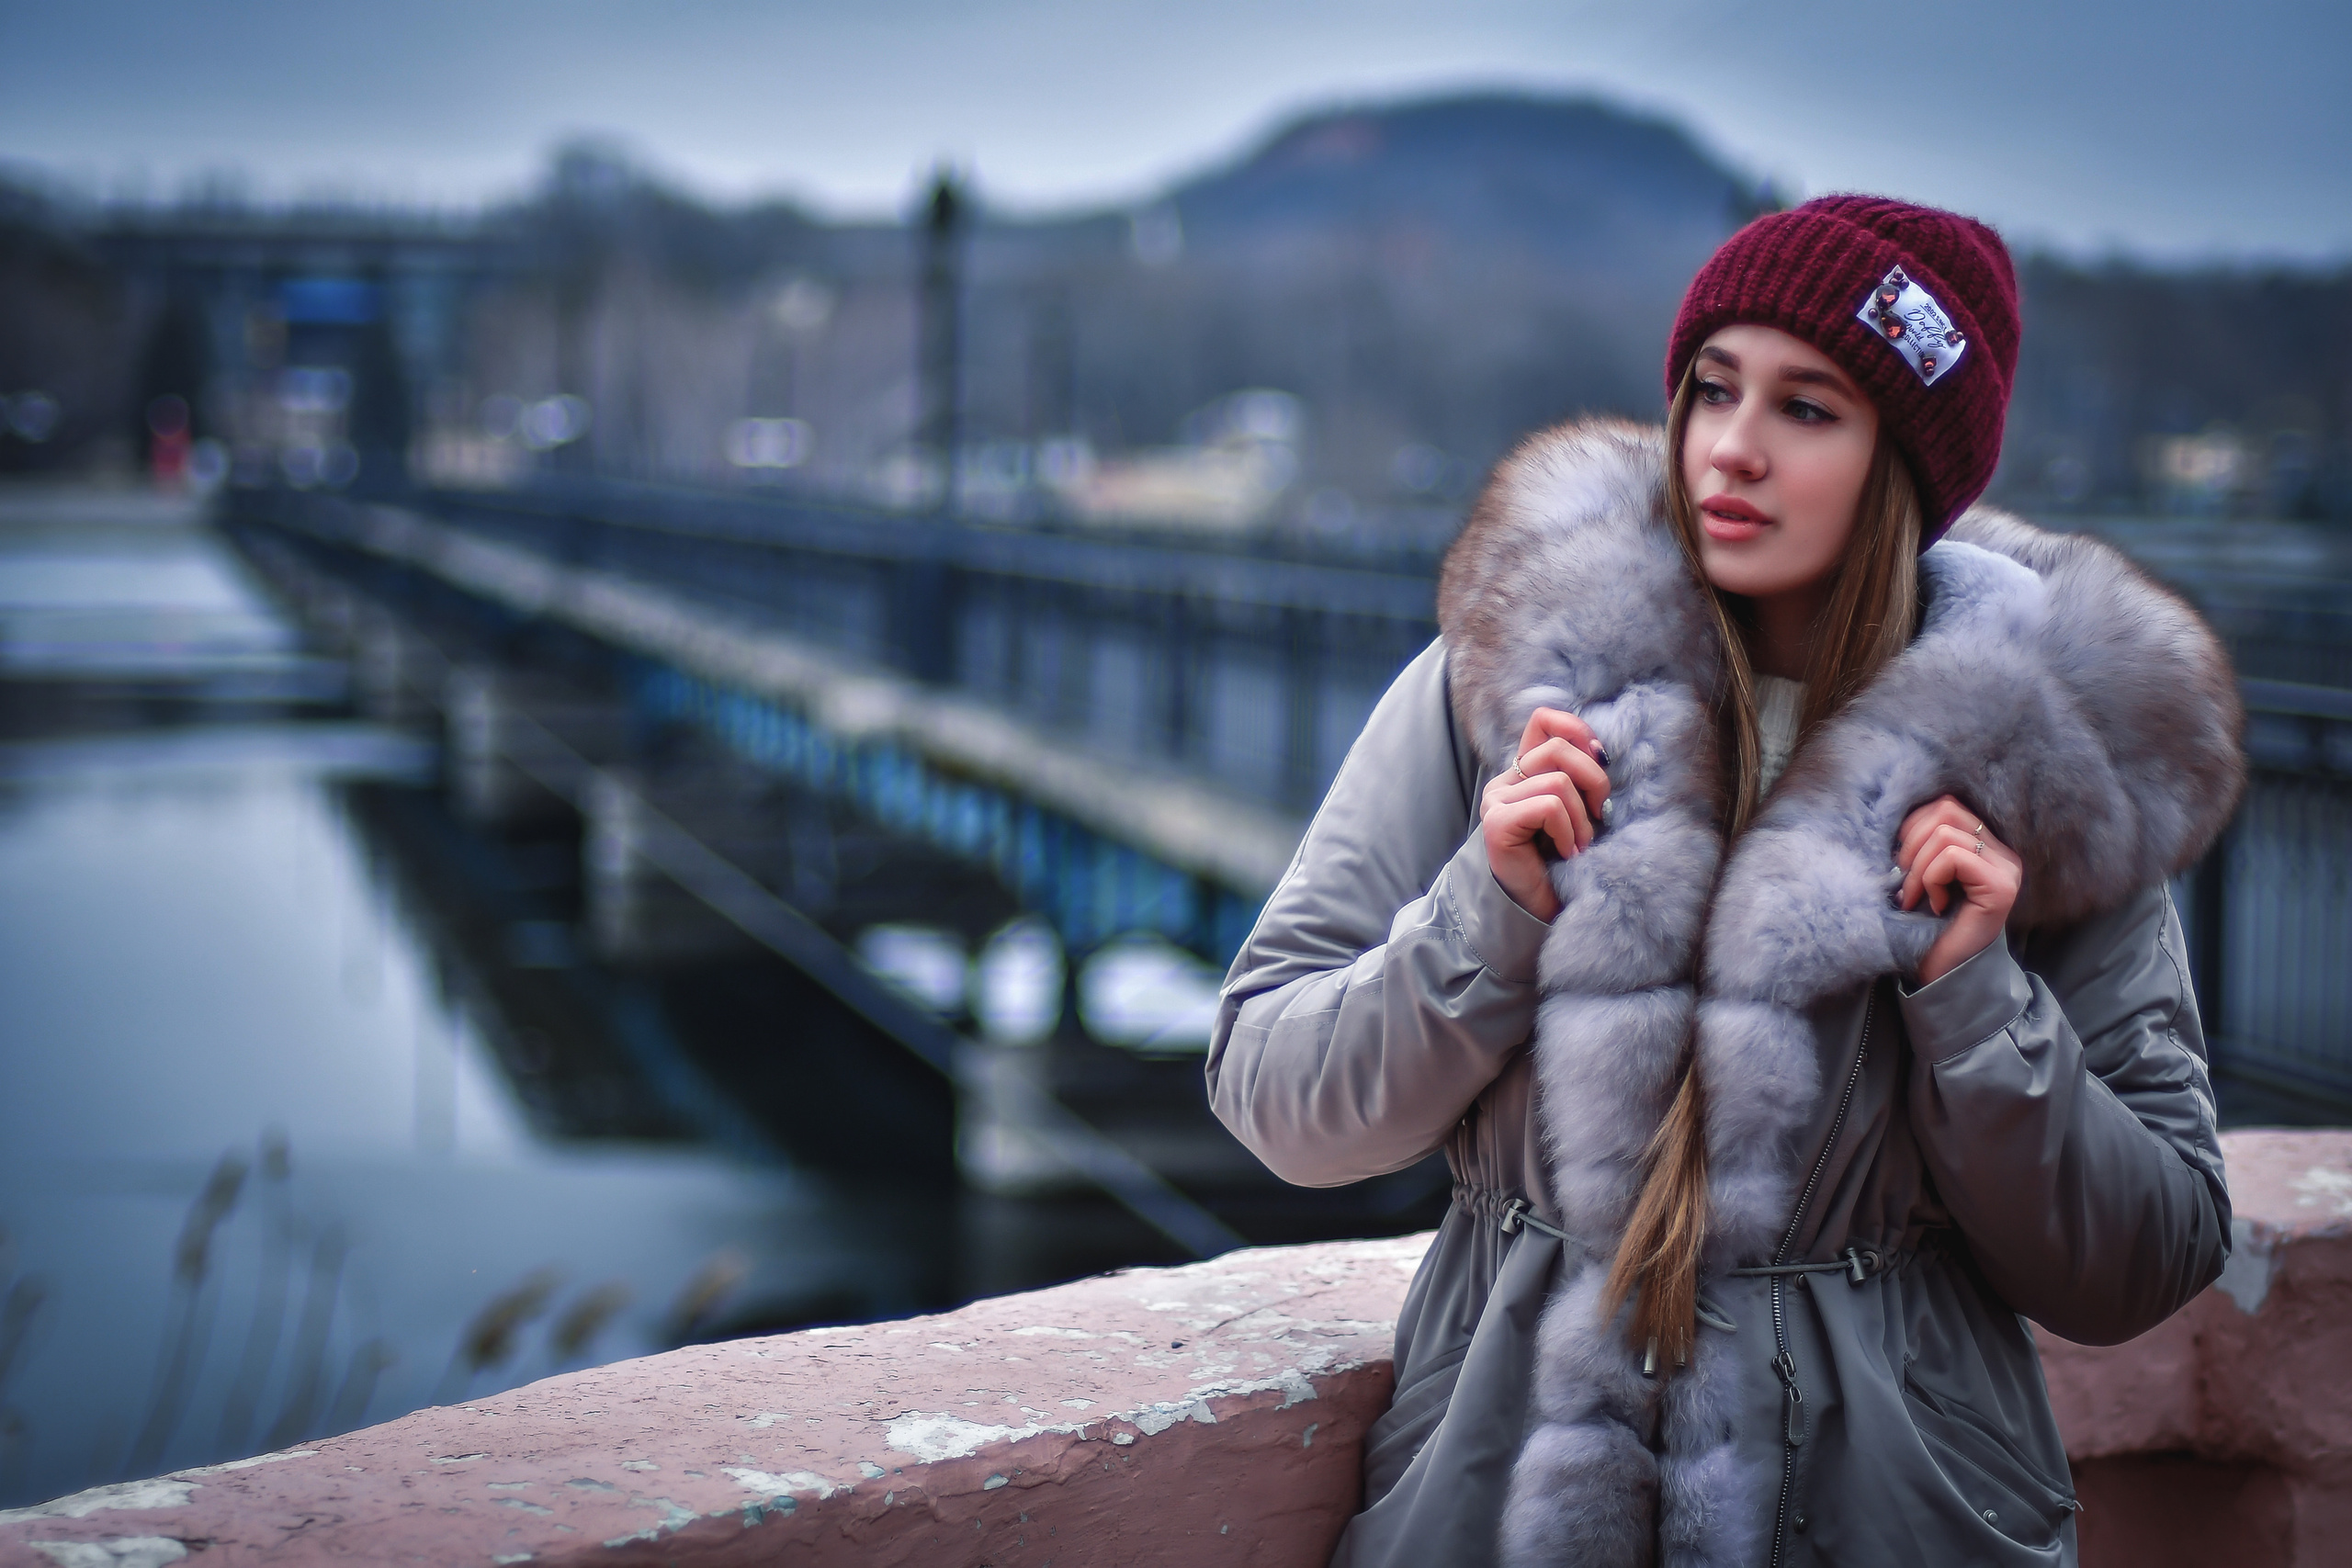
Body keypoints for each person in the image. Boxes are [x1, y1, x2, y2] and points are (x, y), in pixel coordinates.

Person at [1207, 197, 2242, 1568]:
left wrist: (1977, 1003)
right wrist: (1487, 917)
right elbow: (1276, 1097)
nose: (1733, 449)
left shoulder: (2045, 773)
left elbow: (2150, 1257)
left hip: (1897, 1513)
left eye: (1809, 409)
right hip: (1496, 1493)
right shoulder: (1513, 688)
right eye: (1712, 389)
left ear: (1904, 465)